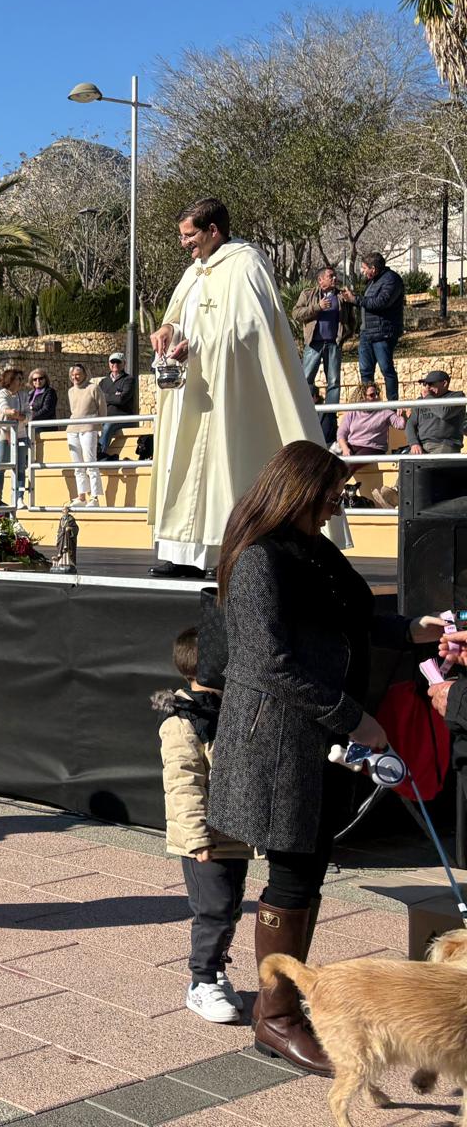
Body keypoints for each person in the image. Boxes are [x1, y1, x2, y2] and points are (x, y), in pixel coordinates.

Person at [208, 440, 441, 1072]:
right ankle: (276, 1017)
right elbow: (266, 662)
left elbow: (352, 621)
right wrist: (355, 717)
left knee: (305, 869)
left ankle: (282, 1005)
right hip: (281, 744)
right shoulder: (261, 559)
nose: (339, 503)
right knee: (292, 872)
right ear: (297, 491)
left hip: (317, 740)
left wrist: (415, 629)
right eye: (330, 494)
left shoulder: (314, 549)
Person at [147, 198, 340, 580]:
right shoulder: (194, 273)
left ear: (213, 230)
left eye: (190, 236)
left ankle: (224, 553)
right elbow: (179, 318)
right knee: (182, 464)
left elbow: (256, 329)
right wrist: (170, 330)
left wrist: (199, 348)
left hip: (232, 391)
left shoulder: (247, 263)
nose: (185, 244)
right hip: (194, 392)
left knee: (226, 468)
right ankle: (182, 551)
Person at [156, 624, 250, 1024]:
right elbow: (183, 784)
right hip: (204, 839)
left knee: (229, 908)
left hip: (234, 834)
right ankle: (201, 981)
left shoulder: (227, 707)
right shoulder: (183, 721)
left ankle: (217, 970)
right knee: (211, 909)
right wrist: (196, 838)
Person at [292, 266, 354, 421]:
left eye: (335, 276)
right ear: (320, 280)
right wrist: (317, 307)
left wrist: (344, 336)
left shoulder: (341, 296)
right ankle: (303, 411)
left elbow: (352, 319)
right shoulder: (308, 294)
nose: (334, 278)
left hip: (333, 344)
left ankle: (330, 417)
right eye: (330, 276)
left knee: (333, 381)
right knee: (306, 378)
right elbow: (296, 313)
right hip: (314, 344)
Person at [343, 252, 404, 402]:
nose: (362, 271)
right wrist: (351, 299)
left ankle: (392, 406)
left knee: (386, 370)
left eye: (364, 268)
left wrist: (355, 299)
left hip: (383, 333)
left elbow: (380, 303)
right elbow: (367, 301)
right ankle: (367, 406)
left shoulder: (392, 280)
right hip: (367, 333)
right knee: (365, 372)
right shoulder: (372, 281)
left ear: (374, 268)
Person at [65, 364, 107, 507]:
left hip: (89, 427)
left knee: (90, 462)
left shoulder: (93, 388)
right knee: (77, 464)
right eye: (72, 375)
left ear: (84, 374)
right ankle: (81, 496)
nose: (75, 377)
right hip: (72, 429)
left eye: (77, 374)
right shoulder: (70, 391)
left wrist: (100, 426)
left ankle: (94, 497)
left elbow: (102, 408)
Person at [335, 382, 404, 462]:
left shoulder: (384, 411)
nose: (376, 397)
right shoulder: (353, 412)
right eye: (372, 395)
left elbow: (401, 425)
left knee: (351, 463)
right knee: (329, 459)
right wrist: (345, 448)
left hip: (373, 448)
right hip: (352, 445)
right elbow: (341, 434)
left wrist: (402, 413)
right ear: (362, 397)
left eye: (377, 393)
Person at [406, 369, 465, 455]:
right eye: (425, 384)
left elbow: (444, 413)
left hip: (445, 444)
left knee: (434, 466)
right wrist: (414, 443)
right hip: (422, 445)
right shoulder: (421, 401)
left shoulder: (457, 397)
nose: (427, 387)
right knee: (406, 464)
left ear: (444, 383)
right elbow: (410, 424)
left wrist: (428, 397)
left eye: (431, 384)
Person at [0, 368, 23, 499]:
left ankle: (18, 497)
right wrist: (12, 413)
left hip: (19, 434)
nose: (20, 382)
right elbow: (4, 408)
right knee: (0, 467)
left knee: (20, 468)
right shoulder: (0, 394)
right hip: (2, 436)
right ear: (11, 380)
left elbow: (29, 414)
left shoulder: (22, 395)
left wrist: (18, 415)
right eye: (18, 379)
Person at [98, 353, 137, 462]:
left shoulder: (129, 380)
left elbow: (121, 400)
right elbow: (97, 400)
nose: (115, 364)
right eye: (113, 362)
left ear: (124, 363)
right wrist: (113, 397)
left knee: (108, 425)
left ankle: (100, 453)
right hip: (105, 418)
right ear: (109, 364)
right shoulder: (103, 382)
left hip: (123, 418)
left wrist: (105, 397)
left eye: (118, 362)